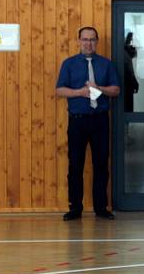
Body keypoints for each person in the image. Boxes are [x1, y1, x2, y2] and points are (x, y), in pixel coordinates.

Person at [55, 26, 120, 221]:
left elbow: (116, 90)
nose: (88, 43)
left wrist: (98, 87)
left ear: (97, 42)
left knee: (101, 165)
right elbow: (59, 90)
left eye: (92, 40)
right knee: (75, 165)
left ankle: (101, 207)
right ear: (78, 41)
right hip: (78, 122)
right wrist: (79, 93)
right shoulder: (69, 64)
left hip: (100, 120)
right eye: (85, 39)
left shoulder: (106, 65)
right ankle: (75, 208)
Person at [122, 32, 139, 112]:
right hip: (126, 85)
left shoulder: (126, 53)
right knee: (127, 108)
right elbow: (129, 70)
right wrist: (134, 82)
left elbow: (130, 69)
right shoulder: (124, 53)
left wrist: (134, 81)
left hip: (128, 84)